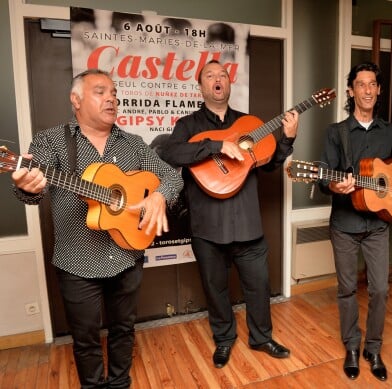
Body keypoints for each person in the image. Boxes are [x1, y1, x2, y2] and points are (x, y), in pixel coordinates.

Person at [11, 69, 183, 388]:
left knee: (124, 328)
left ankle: (120, 382)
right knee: (85, 337)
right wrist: (28, 185)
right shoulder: (51, 140)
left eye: (114, 93)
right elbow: (31, 191)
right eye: (101, 91)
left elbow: (172, 176)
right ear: (75, 100)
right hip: (77, 261)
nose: (111, 99)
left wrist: (160, 195)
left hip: (127, 253)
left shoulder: (132, 143)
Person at [160, 60, 298, 368]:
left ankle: (262, 337)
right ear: (201, 87)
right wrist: (217, 146)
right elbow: (171, 153)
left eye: (222, 74)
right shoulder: (189, 124)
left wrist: (287, 139)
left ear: (229, 83)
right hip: (207, 226)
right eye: (209, 75)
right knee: (215, 288)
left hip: (249, 223)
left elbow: (270, 162)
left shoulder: (249, 123)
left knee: (259, 285)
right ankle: (224, 339)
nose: (217, 79)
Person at [318, 62, 392, 381]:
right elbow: (325, 172)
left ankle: (374, 348)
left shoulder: (390, 132)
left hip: (379, 224)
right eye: (360, 84)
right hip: (345, 224)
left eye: (372, 84)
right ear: (351, 91)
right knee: (347, 288)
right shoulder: (336, 132)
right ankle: (352, 346)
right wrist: (334, 184)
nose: (367, 90)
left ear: (378, 90)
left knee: (380, 289)